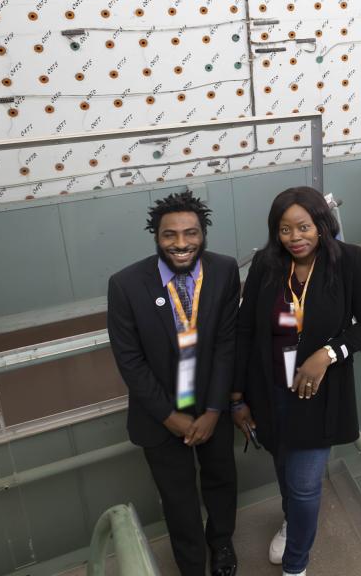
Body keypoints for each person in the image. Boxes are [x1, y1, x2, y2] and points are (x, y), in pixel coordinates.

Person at [230, 186, 361, 576]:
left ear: (322, 224)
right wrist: (236, 397)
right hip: (268, 392)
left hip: (316, 397)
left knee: (303, 485)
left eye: (304, 227)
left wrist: (328, 354)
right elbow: (245, 329)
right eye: (285, 230)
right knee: (285, 474)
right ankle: (291, 520)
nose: (295, 238)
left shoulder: (349, 261)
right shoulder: (267, 265)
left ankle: (296, 566)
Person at [107, 191, 240, 576]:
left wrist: (215, 409)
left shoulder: (225, 270)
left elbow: (227, 343)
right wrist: (169, 416)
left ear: (203, 233)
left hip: (210, 405)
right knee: (178, 498)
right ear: (156, 236)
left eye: (190, 233)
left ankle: (222, 545)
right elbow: (129, 361)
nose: (181, 244)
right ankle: (192, 565)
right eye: (170, 235)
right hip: (160, 413)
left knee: (221, 482)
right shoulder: (126, 285)